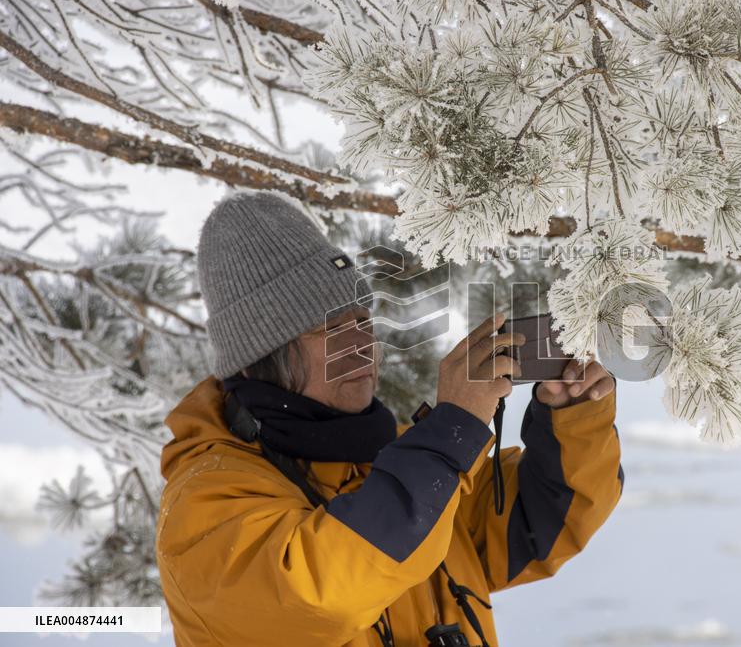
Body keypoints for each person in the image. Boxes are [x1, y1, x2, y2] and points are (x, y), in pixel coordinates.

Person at [155, 190, 624, 646]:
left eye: (363, 321)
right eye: (331, 328)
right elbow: (324, 591)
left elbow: (539, 529)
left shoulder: (406, 462)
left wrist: (573, 417)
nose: (360, 344)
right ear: (259, 356)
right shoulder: (204, 503)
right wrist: (453, 428)